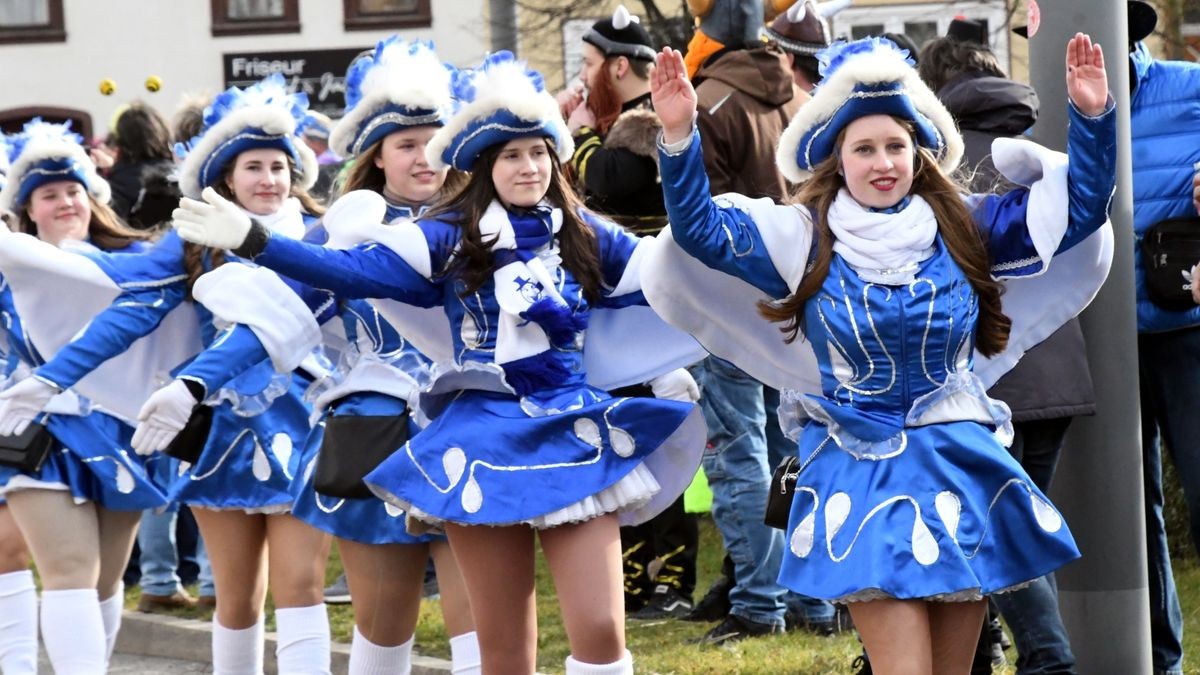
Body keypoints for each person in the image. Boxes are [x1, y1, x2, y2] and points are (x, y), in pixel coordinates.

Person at [172, 50, 707, 675]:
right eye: (510, 154)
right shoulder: (445, 235)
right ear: (481, 165)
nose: (528, 166)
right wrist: (255, 241)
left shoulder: (583, 232)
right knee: (498, 646)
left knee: (600, 629)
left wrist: (678, 140)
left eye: (538, 152)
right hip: (474, 437)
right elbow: (346, 273)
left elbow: (677, 269)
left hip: (573, 430)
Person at [644, 31, 1114, 674]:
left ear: (919, 154)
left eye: (896, 145)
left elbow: (1079, 213)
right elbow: (699, 232)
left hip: (956, 463)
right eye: (864, 148)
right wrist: (678, 138)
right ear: (837, 158)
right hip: (860, 467)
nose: (883, 162)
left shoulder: (966, 227)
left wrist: (1092, 119)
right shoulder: (799, 239)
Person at [0, 75, 334, 675]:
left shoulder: (316, 238)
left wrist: (189, 384)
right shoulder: (193, 242)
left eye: (279, 166)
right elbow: (128, 311)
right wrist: (52, 379)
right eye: (253, 166)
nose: (268, 180)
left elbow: (269, 326)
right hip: (217, 433)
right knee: (234, 596)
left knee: (302, 586)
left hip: (304, 423)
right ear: (224, 178)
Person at [285, 36, 480, 675]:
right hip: (380, 440)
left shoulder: (492, 222)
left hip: (478, 435)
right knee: (384, 630)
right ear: (377, 157)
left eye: (436, 139)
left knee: (485, 628)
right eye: (406, 144)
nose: (425, 156)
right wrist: (197, 385)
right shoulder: (337, 229)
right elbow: (273, 320)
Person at [0, 119, 167, 674]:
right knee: (69, 569)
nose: (65, 201)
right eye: (49, 195)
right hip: (35, 434)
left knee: (103, 580)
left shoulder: (135, 263)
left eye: (74, 190)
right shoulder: (9, 269)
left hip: (123, 430)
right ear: (28, 210)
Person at [557, 4, 700, 621]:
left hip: (659, 324)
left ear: (617, 66)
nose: (581, 76)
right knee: (629, 448)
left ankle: (668, 582)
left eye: (588, 65)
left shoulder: (643, 130)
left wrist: (582, 132)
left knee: (664, 445)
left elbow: (604, 183)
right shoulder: (626, 127)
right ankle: (637, 580)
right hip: (622, 325)